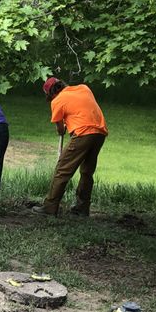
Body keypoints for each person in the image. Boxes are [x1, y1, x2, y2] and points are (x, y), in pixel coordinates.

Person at [33, 77, 108, 216]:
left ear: (51, 93)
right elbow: (82, 110)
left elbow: (60, 129)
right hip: (99, 133)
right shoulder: (84, 88)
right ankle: (82, 208)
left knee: (63, 169)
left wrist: (64, 127)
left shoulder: (57, 101)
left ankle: (49, 207)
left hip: (83, 134)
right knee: (86, 172)